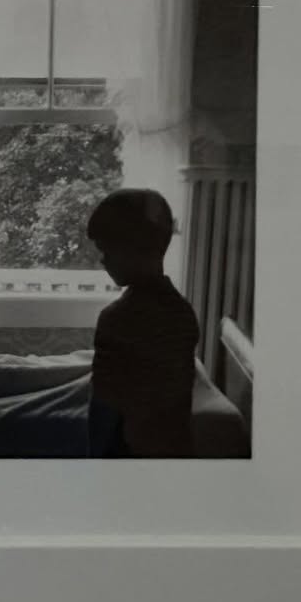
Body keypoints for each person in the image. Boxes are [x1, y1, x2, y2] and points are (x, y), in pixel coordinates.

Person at [85, 188, 200, 458]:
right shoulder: (182, 311)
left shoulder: (116, 318)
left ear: (133, 249)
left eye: (108, 250)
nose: (103, 260)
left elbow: (102, 412)